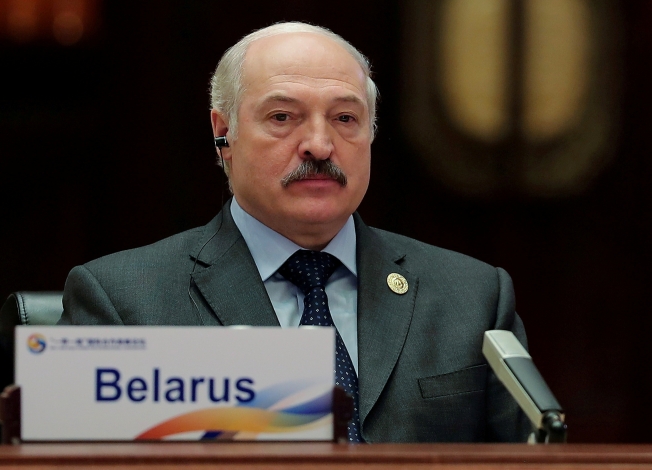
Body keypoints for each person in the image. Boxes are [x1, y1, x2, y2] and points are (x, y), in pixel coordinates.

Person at [58, 22, 530, 443]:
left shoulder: (473, 296)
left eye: (345, 119)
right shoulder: (123, 300)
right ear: (224, 135)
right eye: (283, 118)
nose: (320, 145)